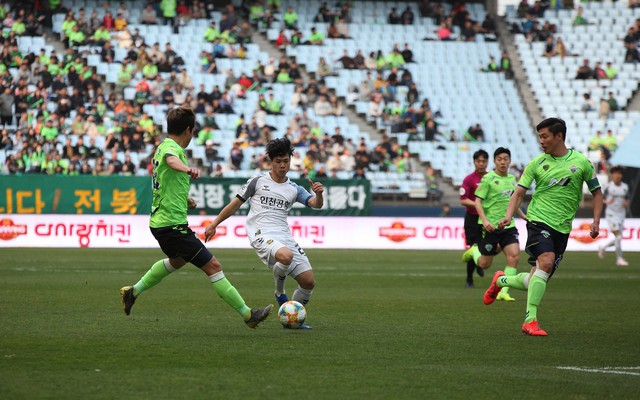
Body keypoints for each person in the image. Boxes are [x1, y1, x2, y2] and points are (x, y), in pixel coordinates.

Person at [119, 107, 273, 329]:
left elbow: (167, 179)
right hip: (172, 226)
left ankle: (133, 291)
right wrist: (187, 169)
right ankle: (248, 315)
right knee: (213, 265)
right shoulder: (172, 149)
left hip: (162, 222)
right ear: (188, 130)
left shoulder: (161, 146)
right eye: (193, 132)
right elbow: (172, 162)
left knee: (177, 261)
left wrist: (185, 199)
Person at [486, 118, 603, 336]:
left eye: (545, 136)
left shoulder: (582, 163)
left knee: (536, 277)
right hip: (538, 221)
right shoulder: (537, 163)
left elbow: (597, 192)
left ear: (559, 136)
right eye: (539, 136)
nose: (541, 141)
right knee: (546, 262)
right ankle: (530, 320)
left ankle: (501, 280)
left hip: (563, 228)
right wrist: (508, 216)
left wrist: (596, 221)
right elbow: (518, 193)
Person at [204, 137, 324, 329]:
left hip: (284, 235)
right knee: (285, 256)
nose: (283, 166)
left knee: (308, 282)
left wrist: (318, 194)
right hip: (261, 234)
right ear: (270, 160)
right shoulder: (258, 181)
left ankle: (292, 320)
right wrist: (214, 224)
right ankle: (279, 293)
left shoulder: (294, 188)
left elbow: (315, 205)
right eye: (278, 162)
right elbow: (235, 204)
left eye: (286, 161)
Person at [462, 148, 527, 302]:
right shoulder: (488, 179)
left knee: (514, 257)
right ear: (494, 161)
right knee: (485, 264)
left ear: (510, 160)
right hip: (491, 227)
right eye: (499, 159)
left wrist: (524, 216)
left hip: (508, 226)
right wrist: (485, 221)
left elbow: (513, 202)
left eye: (506, 159)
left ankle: (503, 292)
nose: (503, 162)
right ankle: (474, 251)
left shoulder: (512, 179)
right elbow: (477, 201)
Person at [459, 149, 489, 288]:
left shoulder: (491, 178)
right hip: (472, 218)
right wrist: (478, 205)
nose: (481, 164)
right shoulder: (469, 179)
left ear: (487, 162)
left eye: (483, 161)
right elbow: (463, 199)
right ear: (474, 162)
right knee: (473, 248)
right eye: (478, 161)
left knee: (485, 247)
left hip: (487, 219)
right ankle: (469, 279)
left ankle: (479, 263)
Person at [598, 166, 630, 266]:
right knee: (619, 237)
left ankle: (603, 247)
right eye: (615, 173)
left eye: (619, 173)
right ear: (612, 175)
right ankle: (619, 259)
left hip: (621, 214)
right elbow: (600, 198)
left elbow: (627, 198)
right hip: (611, 214)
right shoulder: (608, 187)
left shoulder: (625, 187)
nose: (617, 176)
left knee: (618, 237)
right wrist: (607, 201)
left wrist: (626, 203)